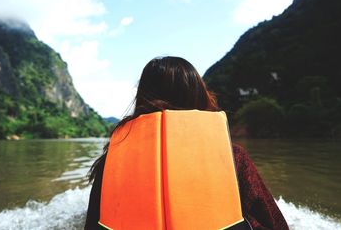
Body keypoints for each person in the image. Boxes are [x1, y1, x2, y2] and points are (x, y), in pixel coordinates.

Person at [85, 56, 289, 230]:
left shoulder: (110, 163)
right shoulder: (232, 157)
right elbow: (276, 224)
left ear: (142, 99)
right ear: (199, 95)